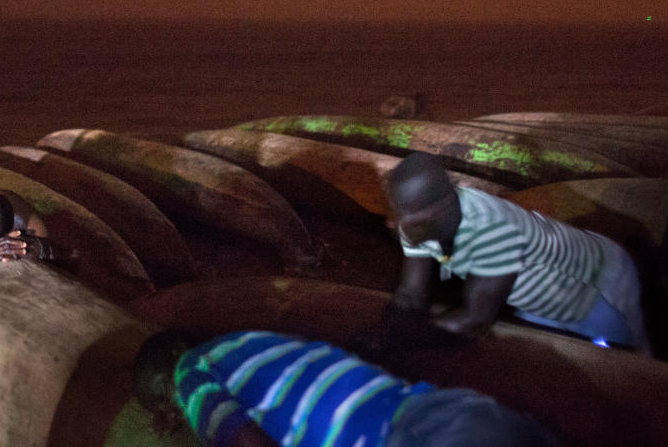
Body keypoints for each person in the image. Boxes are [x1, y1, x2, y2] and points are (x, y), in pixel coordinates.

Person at [386, 152, 649, 349]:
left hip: (595, 282)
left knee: (627, 357)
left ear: (440, 208)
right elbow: (411, 295)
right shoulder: (416, 225)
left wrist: (404, 339)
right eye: (399, 212)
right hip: (536, 292)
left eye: (409, 215)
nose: (397, 223)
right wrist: (388, 331)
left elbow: (475, 318)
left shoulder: (491, 229)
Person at [133, 329, 557, 447]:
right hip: (457, 410)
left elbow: (244, 442)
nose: (169, 420)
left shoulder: (188, 371)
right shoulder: (255, 340)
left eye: (159, 407)